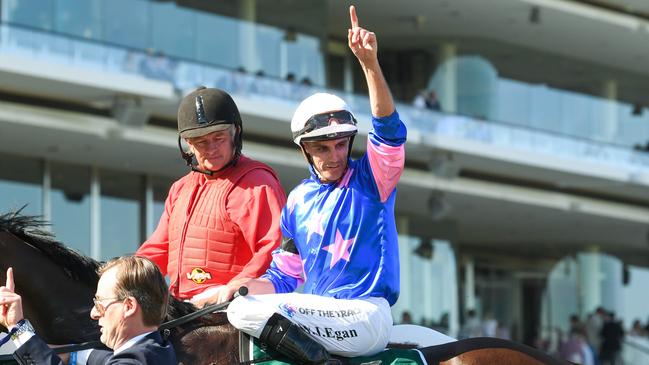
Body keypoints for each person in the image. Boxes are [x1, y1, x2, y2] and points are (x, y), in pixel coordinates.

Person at [226, 6, 406, 363]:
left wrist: (369, 64)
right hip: (327, 316)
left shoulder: (374, 179)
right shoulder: (297, 202)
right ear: (304, 151)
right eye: (322, 148)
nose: (334, 155)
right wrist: (235, 287)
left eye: (341, 144)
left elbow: (388, 130)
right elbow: (283, 278)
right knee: (240, 303)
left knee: (241, 314)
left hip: (366, 315)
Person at [136, 86, 286, 308]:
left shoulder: (257, 183)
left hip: (231, 310)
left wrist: (231, 290)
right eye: (201, 142)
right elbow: (159, 249)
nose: (212, 148)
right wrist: (120, 275)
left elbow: (274, 250)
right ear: (189, 144)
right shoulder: (180, 188)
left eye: (219, 138)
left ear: (235, 133)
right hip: (182, 309)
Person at [0, 256, 177, 364]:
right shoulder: (159, 349)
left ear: (129, 307)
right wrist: (68, 352)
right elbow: (96, 358)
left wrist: (17, 327)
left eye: (100, 303)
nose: (94, 313)